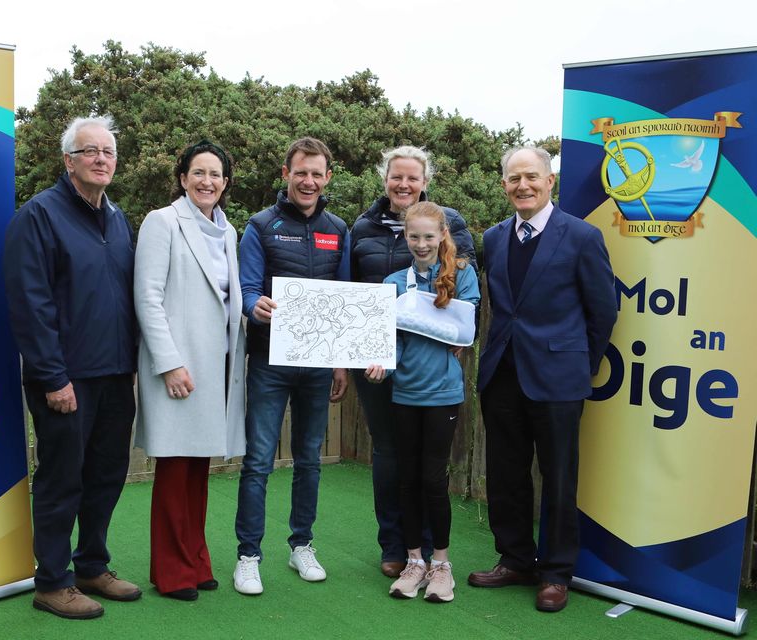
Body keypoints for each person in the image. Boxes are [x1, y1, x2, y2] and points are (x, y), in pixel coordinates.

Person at [467, 147, 617, 612]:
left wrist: (579, 363)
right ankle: (514, 559)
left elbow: (604, 310)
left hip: (559, 379)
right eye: (514, 179)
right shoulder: (492, 238)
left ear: (550, 181)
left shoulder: (582, 236)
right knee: (506, 474)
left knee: (558, 478)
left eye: (531, 177)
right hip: (503, 375)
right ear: (504, 186)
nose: (522, 186)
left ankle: (555, 573)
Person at [3, 115, 140, 619]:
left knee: (107, 473)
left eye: (108, 151)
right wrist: (52, 376)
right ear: (69, 160)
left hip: (114, 374)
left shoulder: (118, 218)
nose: (101, 159)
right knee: (63, 478)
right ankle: (52, 581)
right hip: (65, 378)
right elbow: (29, 304)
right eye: (90, 151)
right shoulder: (38, 216)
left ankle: (91, 566)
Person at [349, 145, 476, 578]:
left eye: (412, 178)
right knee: (389, 458)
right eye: (395, 177)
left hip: (433, 376)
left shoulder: (450, 224)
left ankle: (429, 554)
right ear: (385, 179)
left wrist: (453, 330)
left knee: (428, 470)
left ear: (425, 182)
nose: (403, 184)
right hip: (379, 364)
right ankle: (397, 548)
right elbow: (351, 292)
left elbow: (464, 292)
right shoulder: (361, 228)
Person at [234, 137, 350, 595]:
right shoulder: (261, 225)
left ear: (327, 178)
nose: (309, 181)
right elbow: (245, 288)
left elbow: (343, 300)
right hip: (268, 360)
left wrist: (341, 362)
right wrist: (253, 305)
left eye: (317, 173)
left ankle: (301, 544)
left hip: (319, 366)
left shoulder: (339, 229)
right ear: (286, 174)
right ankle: (248, 555)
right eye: (301, 172)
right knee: (259, 461)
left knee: (309, 461)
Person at [134, 140, 246, 601]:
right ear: (182, 178)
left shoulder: (230, 232)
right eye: (198, 173)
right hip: (178, 369)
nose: (207, 182)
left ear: (224, 183)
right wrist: (169, 363)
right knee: (175, 470)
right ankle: (172, 571)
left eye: (215, 175)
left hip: (216, 364)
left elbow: (226, 300)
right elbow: (147, 297)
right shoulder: (162, 222)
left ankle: (196, 561)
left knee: (197, 469)